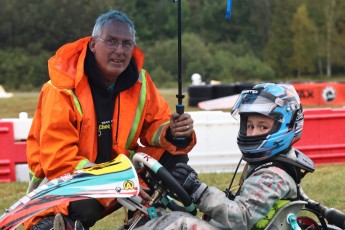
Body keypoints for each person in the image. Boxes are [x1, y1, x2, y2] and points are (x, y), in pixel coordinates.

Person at [25, 9, 196, 230]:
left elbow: (156, 125)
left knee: (175, 157)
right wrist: (114, 181)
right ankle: (51, 224)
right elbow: (59, 162)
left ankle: (143, 221)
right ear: (93, 44)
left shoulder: (140, 80)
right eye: (112, 42)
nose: (120, 51)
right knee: (84, 207)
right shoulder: (61, 88)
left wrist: (173, 132)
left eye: (127, 44)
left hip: (120, 178)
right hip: (67, 185)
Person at [135, 83, 315, 229]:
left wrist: (198, 190)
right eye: (250, 126)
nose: (252, 133)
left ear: (287, 126)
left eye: (262, 127)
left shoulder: (274, 175)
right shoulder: (271, 163)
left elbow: (242, 217)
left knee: (180, 223)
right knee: (159, 215)